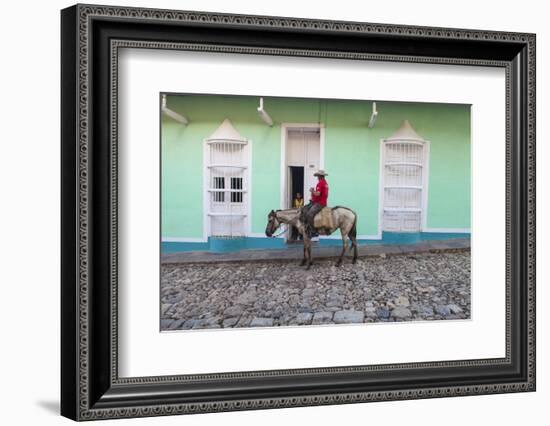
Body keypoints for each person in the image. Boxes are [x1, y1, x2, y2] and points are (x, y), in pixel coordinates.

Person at [302, 170, 329, 237]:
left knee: (309, 214)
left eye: (318, 176)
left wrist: (312, 190)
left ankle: (313, 231)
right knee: (305, 209)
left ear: (320, 176)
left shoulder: (320, 183)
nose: (317, 177)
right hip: (321, 202)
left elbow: (318, 194)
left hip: (320, 203)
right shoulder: (325, 183)